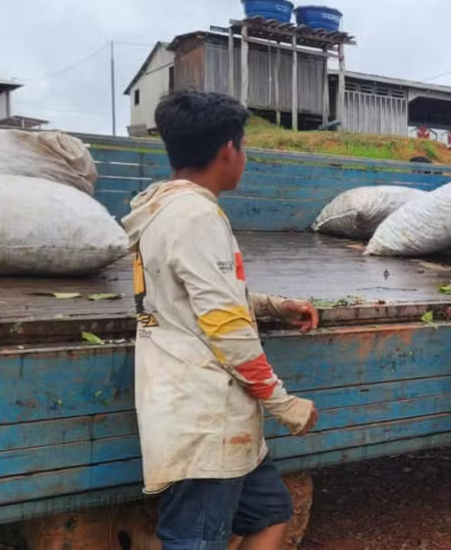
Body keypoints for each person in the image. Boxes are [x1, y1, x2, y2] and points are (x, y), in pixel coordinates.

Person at [122, 90, 320, 550]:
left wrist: (274, 306)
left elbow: (201, 295)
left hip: (213, 417)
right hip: (205, 421)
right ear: (229, 150)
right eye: (244, 146)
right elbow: (226, 329)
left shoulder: (163, 210)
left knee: (271, 514)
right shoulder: (196, 217)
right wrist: (283, 404)